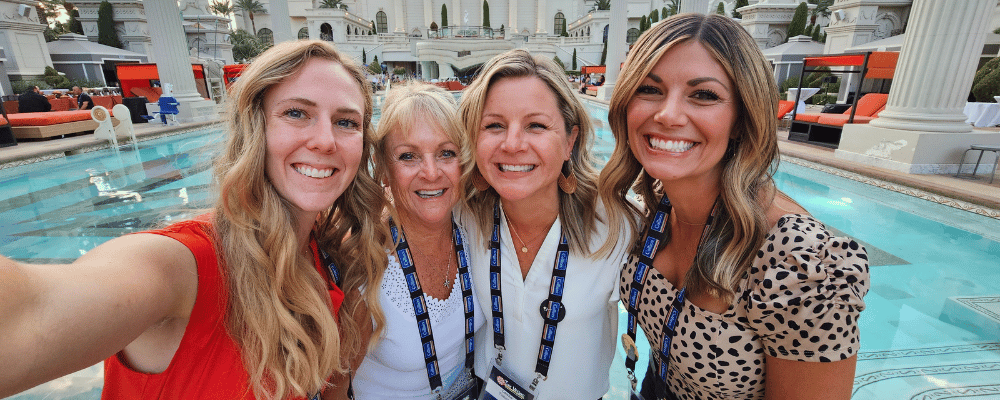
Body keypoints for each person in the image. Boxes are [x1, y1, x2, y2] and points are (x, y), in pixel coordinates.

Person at [0, 40, 388, 400]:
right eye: (296, 113)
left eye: (346, 122)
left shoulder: (321, 254)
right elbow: (31, 312)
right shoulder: (183, 266)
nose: (325, 140)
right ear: (255, 128)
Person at [597, 14, 870, 400]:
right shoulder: (651, 206)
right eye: (649, 89)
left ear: (741, 118)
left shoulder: (797, 262)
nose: (668, 115)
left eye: (703, 95)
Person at [457, 49, 630, 399]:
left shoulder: (615, 224)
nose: (512, 144)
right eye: (494, 126)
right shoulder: (461, 217)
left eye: (536, 125)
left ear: (570, 141)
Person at [350, 82, 485, 399]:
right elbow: (334, 388)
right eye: (408, 156)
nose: (431, 172)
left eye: (446, 153)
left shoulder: (475, 230)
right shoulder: (363, 263)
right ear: (383, 170)